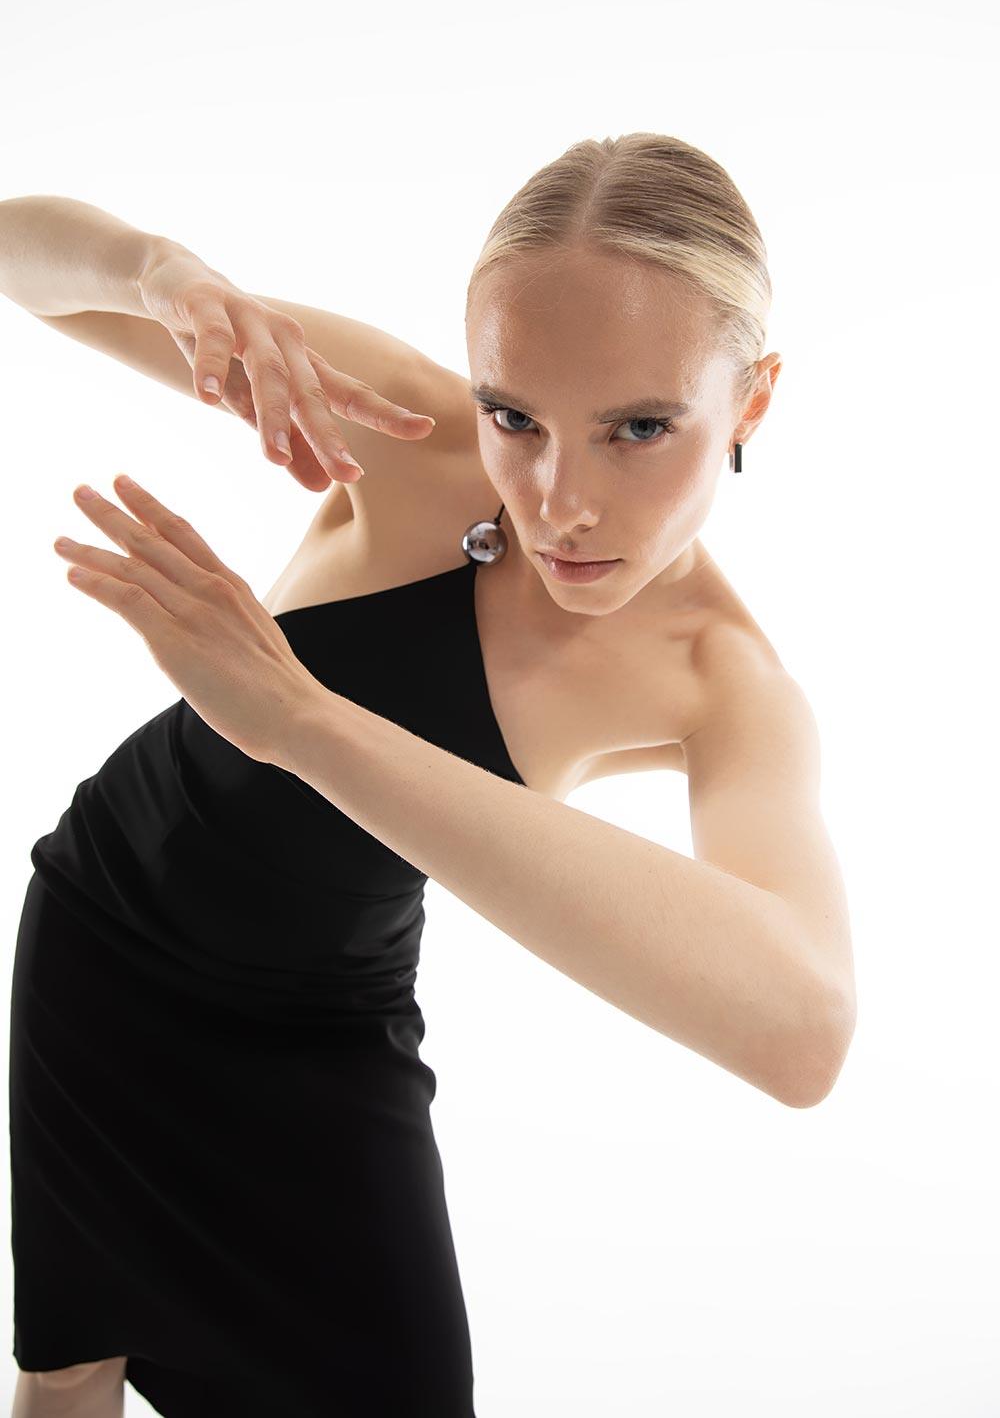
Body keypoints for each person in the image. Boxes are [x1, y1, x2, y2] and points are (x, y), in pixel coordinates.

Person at [1, 132, 857, 1417]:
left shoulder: (722, 685)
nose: (559, 501)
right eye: (515, 416)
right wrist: (157, 272)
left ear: (751, 401)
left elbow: (801, 1034)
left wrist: (300, 721)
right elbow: (15, 251)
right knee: (73, 1357)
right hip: (105, 941)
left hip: (330, 1034)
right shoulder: (404, 430)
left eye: (638, 427)